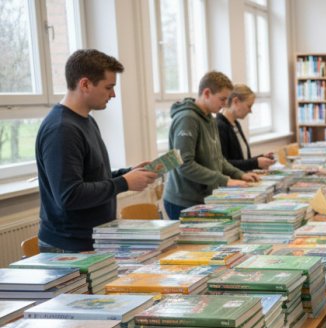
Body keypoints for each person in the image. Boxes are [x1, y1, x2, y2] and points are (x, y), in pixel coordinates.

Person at [35, 49, 158, 252]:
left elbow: (90, 178)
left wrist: (126, 174)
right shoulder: (62, 129)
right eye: (108, 87)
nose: (113, 94)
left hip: (91, 239)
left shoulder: (86, 121)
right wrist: (124, 183)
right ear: (84, 84)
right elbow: (69, 195)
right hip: (69, 245)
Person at [163, 71, 259, 220]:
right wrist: (225, 180)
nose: (224, 104)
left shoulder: (210, 118)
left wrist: (239, 174)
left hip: (204, 197)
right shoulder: (188, 118)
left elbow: (218, 158)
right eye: (222, 99)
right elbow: (184, 165)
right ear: (207, 93)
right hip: (184, 201)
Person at [217, 84, 276, 172]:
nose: (250, 111)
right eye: (249, 106)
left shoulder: (236, 124)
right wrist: (255, 162)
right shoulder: (220, 126)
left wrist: (259, 158)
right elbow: (224, 164)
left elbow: (242, 159)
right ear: (236, 101)